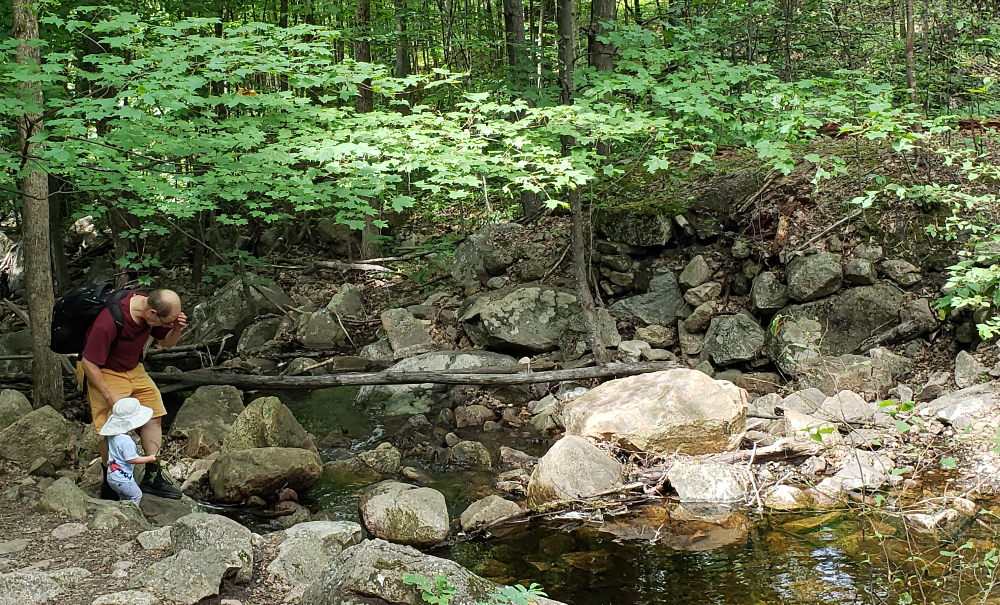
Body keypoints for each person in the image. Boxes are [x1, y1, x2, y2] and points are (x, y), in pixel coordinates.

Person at [76, 288, 186, 500]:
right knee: (112, 427)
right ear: (152, 312)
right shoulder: (109, 320)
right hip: (103, 369)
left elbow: (165, 344)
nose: (167, 326)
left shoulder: (150, 312)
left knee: (155, 415)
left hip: (132, 368)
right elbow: (89, 363)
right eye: (166, 322)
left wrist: (177, 329)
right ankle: (111, 481)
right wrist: (110, 397)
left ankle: (153, 477)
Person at [99, 397, 158, 504]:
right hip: (123, 479)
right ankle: (133, 516)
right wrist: (149, 458)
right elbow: (131, 459)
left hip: (112, 475)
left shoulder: (113, 436)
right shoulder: (126, 441)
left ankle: (122, 512)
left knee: (124, 498)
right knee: (136, 496)